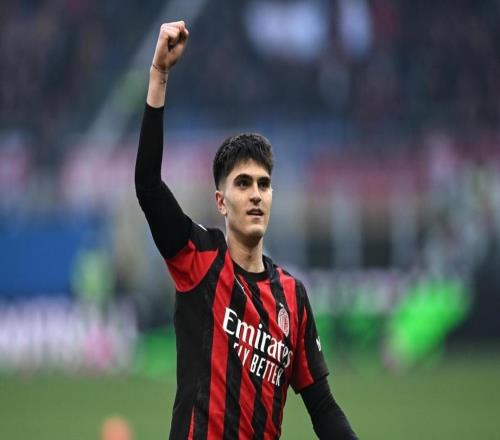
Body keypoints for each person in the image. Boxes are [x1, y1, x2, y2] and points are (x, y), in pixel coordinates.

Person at [135, 21, 358, 440]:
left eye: (263, 184)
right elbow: (148, 186)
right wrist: (159, 75)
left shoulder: (292, 297)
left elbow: (323, 408)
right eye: (242, 184)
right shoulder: (199, 259)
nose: (255, 194)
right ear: (221, 202)